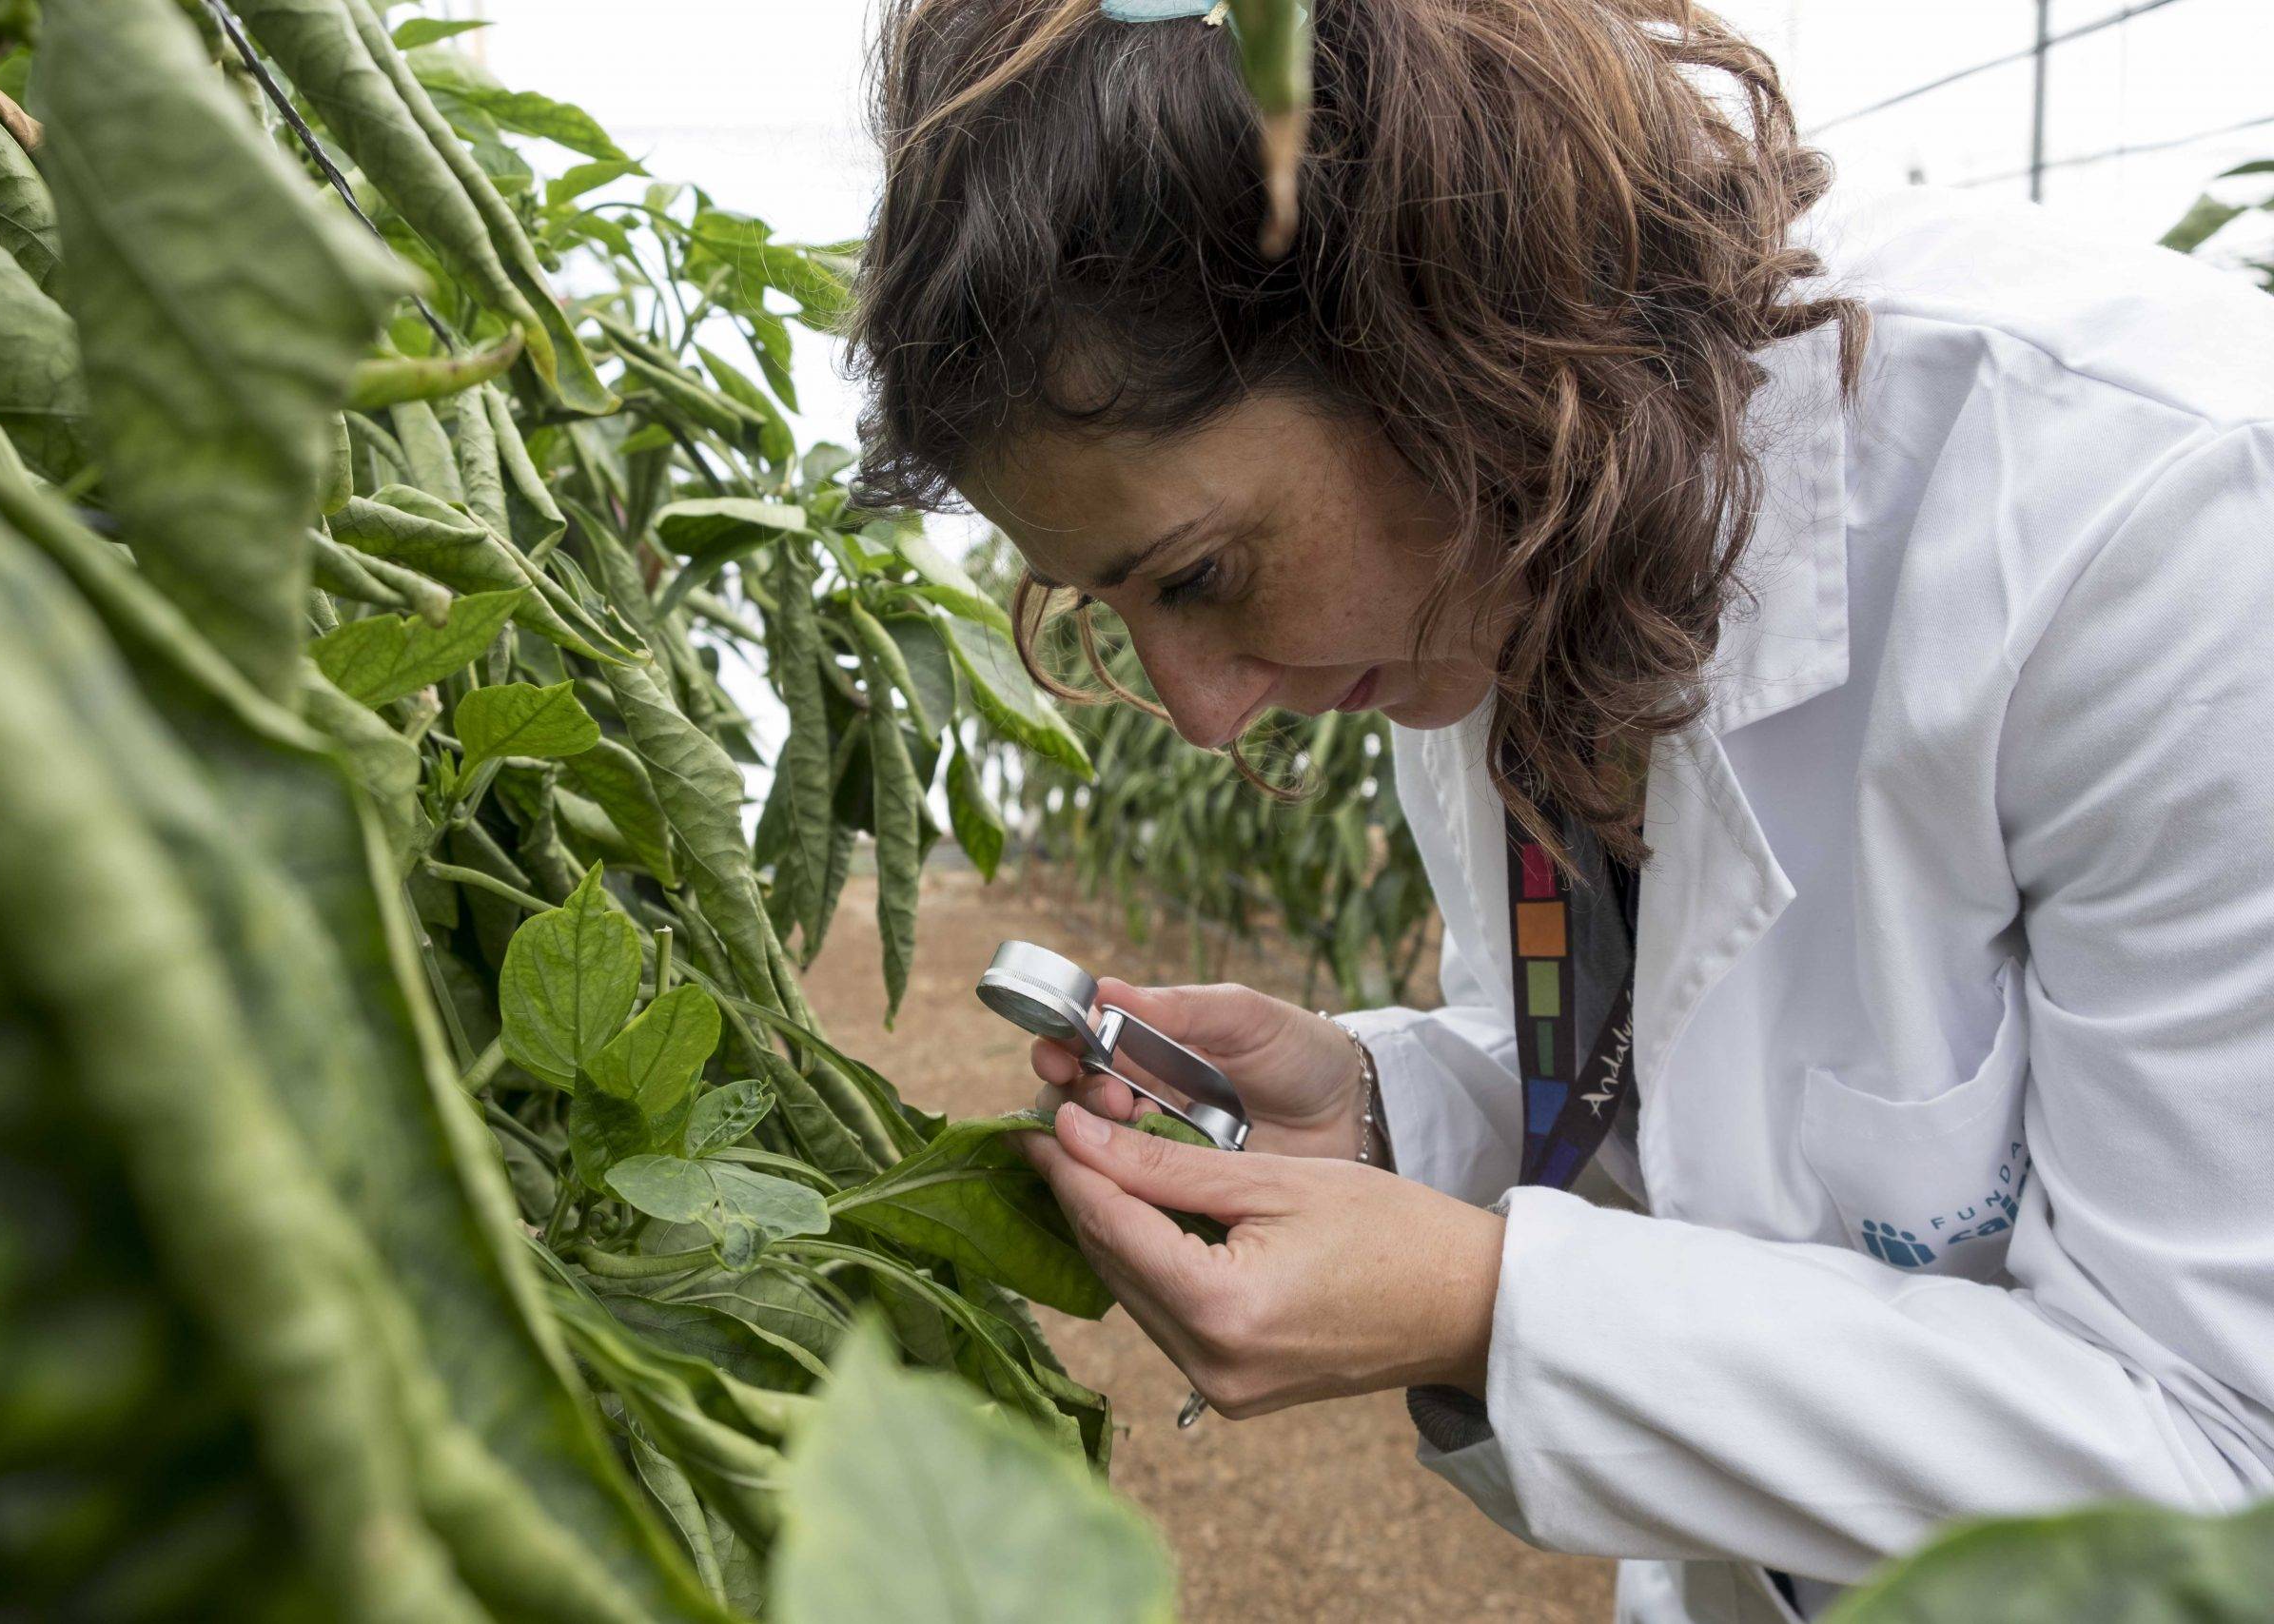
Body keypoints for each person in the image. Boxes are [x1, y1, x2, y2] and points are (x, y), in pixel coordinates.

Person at [841, 2, 2274, 1619]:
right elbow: (1661, 1097)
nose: (1203, 705)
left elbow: (2221, 1468)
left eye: (1201, 574)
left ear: (1433, 336)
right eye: (1120, 609)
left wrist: (1488, 1305)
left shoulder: (2160, 531)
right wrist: (1385, 1112)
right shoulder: (1476, 572)